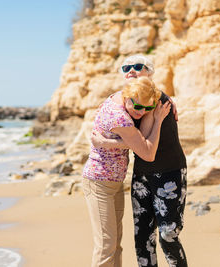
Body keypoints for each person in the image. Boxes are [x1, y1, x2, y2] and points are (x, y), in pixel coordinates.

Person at [91, 54, 188, 267]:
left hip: (169, 171)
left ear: (149, 72)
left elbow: (145, 148)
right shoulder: (127, 100)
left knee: (168, 235)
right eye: (126, 68)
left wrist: (106, 144)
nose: (131, 71)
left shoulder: (158, 101)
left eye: (137, 66)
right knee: (142, 237)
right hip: (142, 175)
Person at [82, 74, 171, 267]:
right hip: (98, 183)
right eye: (137, 106)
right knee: (106, 244)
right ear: (127, 96)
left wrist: (108, 143)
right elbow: (147, 153)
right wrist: (156, 120)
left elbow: (146, 94)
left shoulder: (121, 97)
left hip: (114, 182)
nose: (141, 112)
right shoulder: (120, 117)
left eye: (147, 108)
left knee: (115, 244)